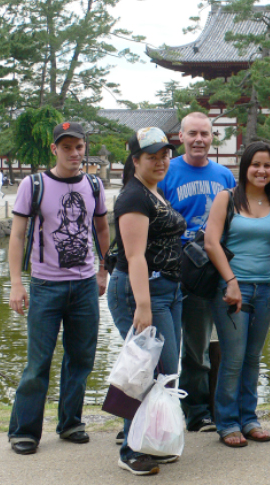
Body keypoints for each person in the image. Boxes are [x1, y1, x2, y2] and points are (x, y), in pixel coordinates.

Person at [6, 122, 109, 455]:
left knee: (81, 358)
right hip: (46, 284)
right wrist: (17, 283)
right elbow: (17, 235)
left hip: (84, 285)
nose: (74, 153)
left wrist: (103, 269)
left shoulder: (94, 185)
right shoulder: (33, 184)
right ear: (54, 149)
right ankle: (24, 430)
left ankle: (70, 422)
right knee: (38, 362)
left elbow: (102, 228)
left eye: (79, 147)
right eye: (66, 147)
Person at [107, 127, 186, 475]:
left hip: (168, 290)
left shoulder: (155, 191)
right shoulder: (133, 198)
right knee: (145, 370)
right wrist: (143, 306)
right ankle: (130, 450)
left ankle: (151, 441)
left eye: (165, 155)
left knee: (166, 371)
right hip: (142, 291)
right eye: (152, 156)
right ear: (136, 160)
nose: (160, 162)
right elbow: (135, 255)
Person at [205, 141, 270, 447]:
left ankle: (249, 418)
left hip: (266, 288)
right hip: (233, 289)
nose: (261, 170)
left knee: (253, 358)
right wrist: (230, 280)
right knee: (233, 358)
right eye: (256, 164)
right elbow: (211, 243)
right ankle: (227, 422)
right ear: (245, 167)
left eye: (267, 165)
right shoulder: (227, 198)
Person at [160, 112, 236, 434]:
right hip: (174, 267)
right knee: (166, 346)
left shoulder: (224, 176)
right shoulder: (166, 171)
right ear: (181, 137)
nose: (199, 140)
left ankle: (198, 411)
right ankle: (158, 413)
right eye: (192, 133)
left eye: (205, 134)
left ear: (212, 137)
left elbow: (233, 222)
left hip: (210, 269)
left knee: (199, 345)